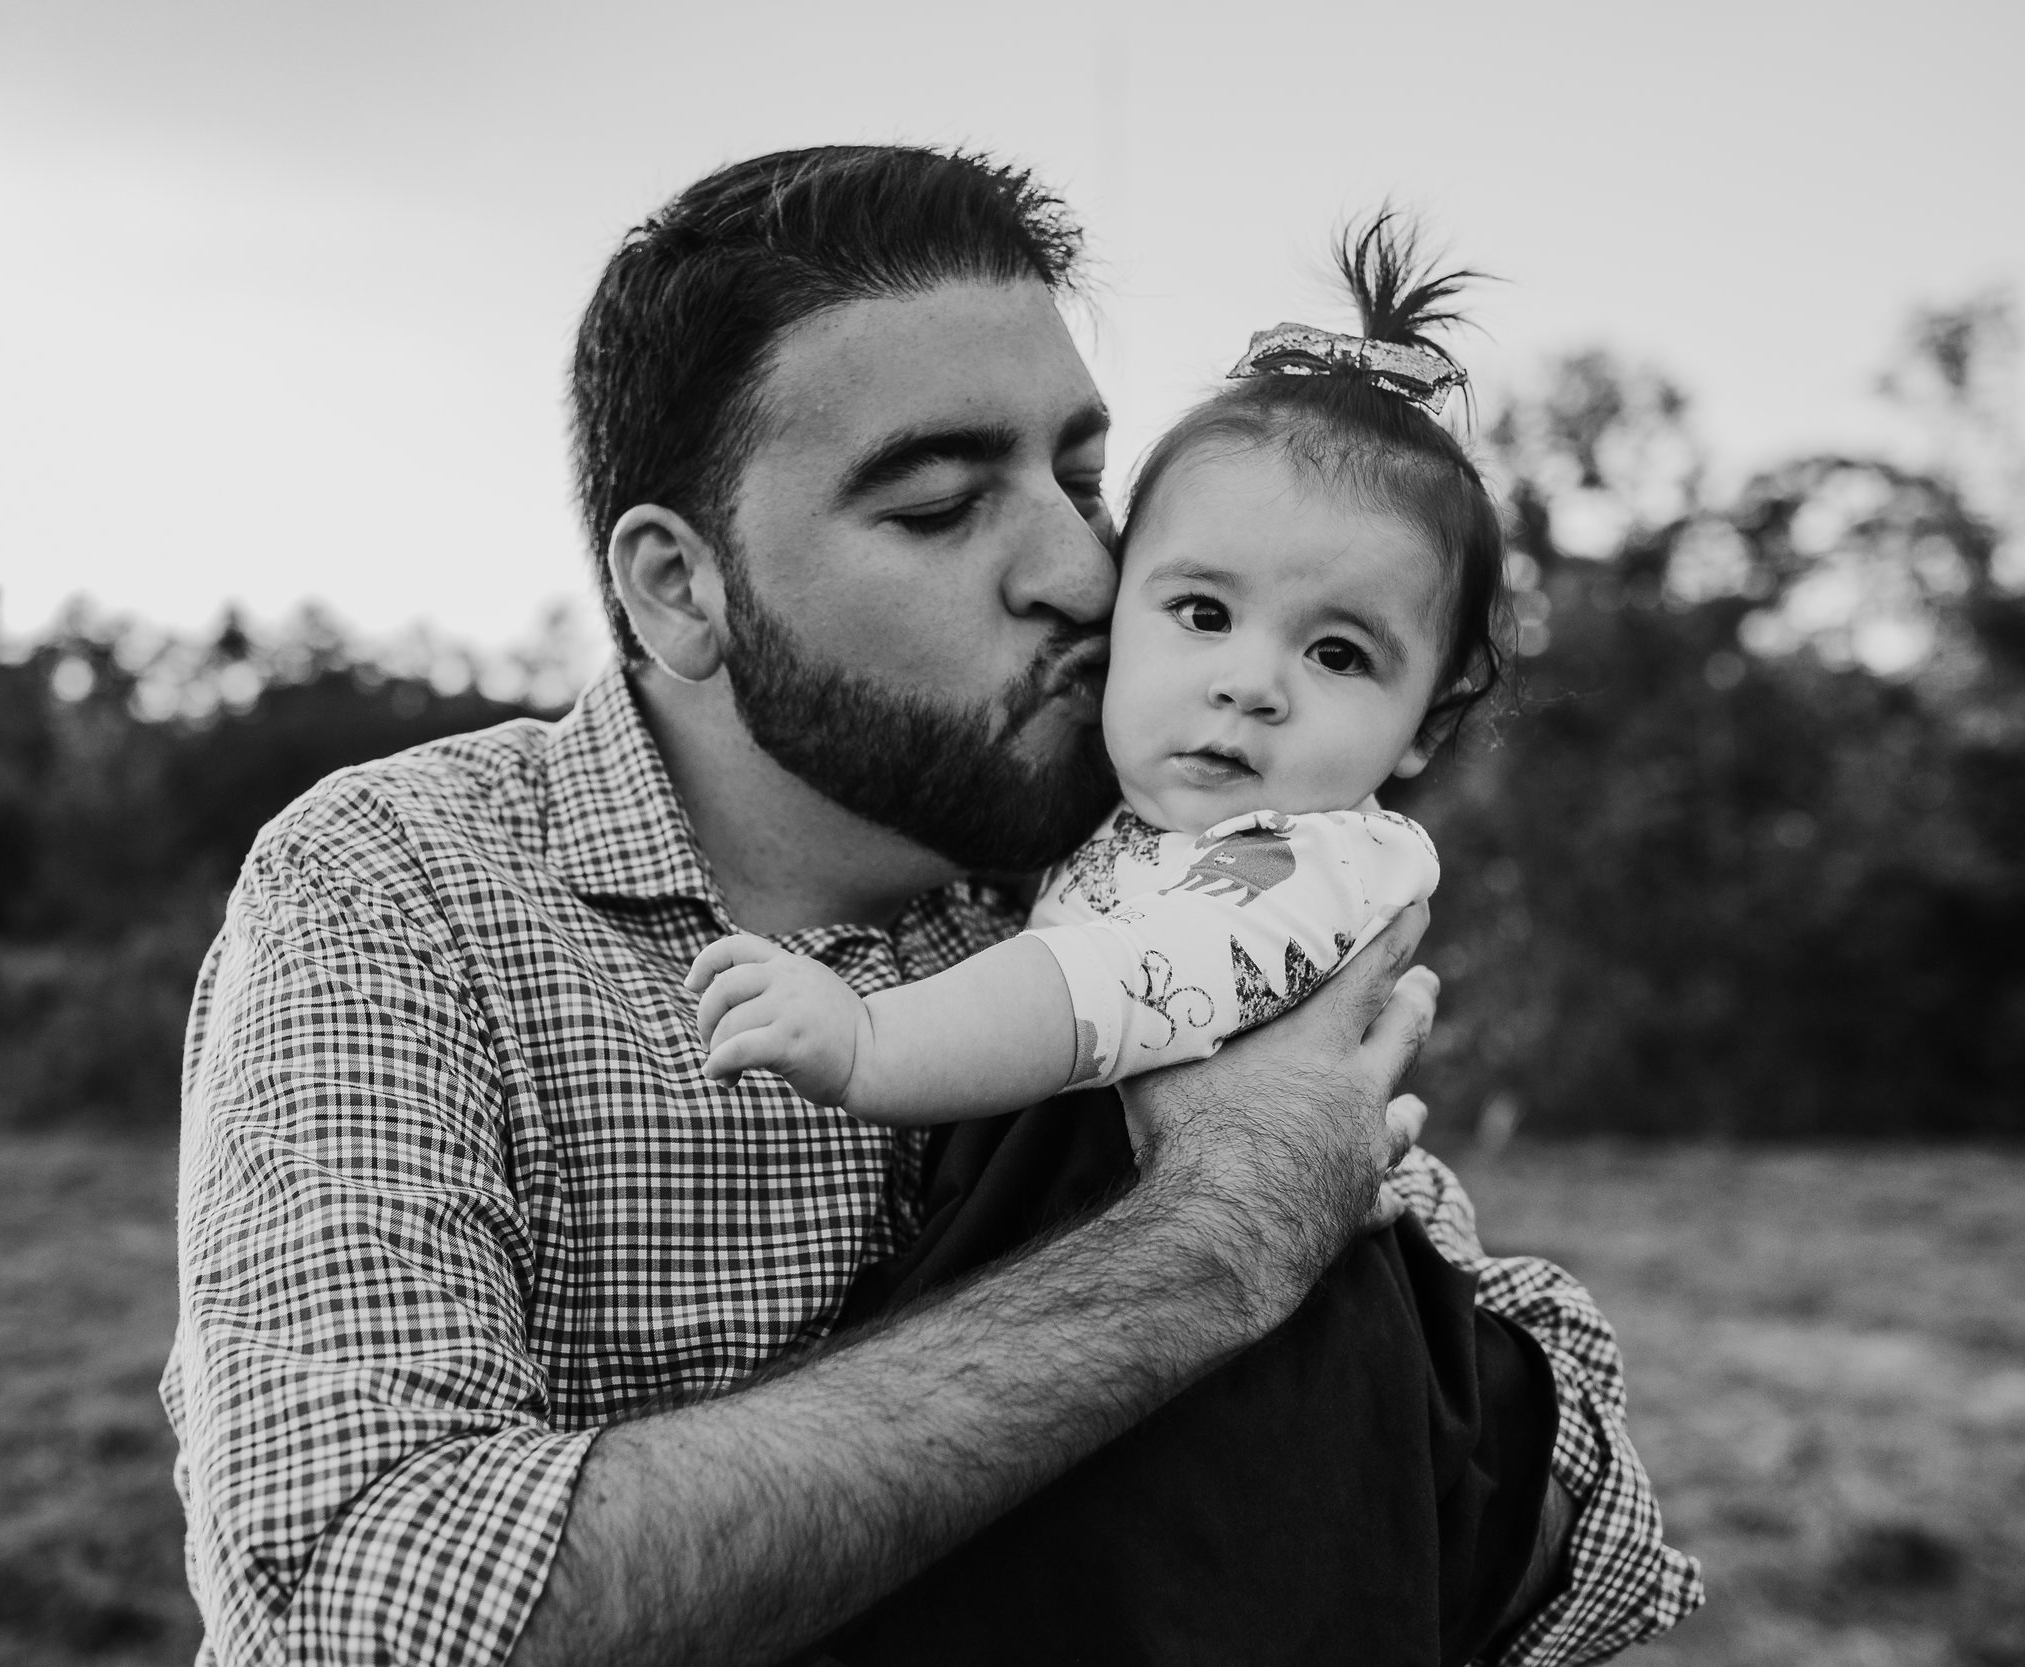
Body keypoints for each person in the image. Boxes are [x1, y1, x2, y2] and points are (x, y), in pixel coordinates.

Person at [160, 145, 1703, 1667]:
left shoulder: (1162, 846)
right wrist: (1204, 1244)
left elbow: (1584, 1518)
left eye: (1085, 478)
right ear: (679, 587)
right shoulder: (404, 885)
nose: (1081, 574)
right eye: (945, 503)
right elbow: (345, 1610)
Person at [685, 219, 1482, 1125]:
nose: (1249, 682)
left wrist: (872, 1043)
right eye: (1204, 614)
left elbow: (1104, 983)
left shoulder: (1327, 863)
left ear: (1427, 725)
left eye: (1338, 654)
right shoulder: (1108, 797)